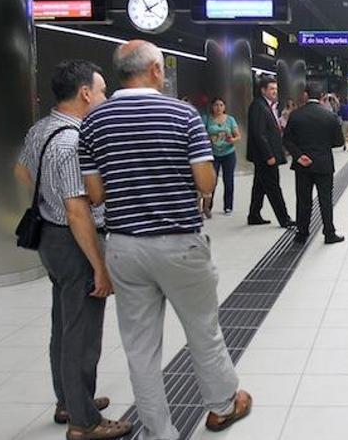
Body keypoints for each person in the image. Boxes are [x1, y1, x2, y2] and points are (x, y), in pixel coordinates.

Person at [78, 40, 251, 440]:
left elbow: (96, 193)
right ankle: (223, 406)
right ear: (156, 69)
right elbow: (206, 182)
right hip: (179, 243)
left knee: (140, 348)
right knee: (203, 329)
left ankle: (158, 432)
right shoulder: (183, 114)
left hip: (124, 245)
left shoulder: (94, 121)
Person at [15, 60, 131, 440]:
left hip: (50, 238)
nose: (105, 97)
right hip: (74, 240)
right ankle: (84, 422)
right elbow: (78, 210)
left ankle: (69, 400)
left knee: (64, 326)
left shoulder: (41, 129)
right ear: (85, 94)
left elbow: (21, 173)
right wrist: (99, 265)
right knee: (82, 333)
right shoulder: (72, 141)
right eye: (101, 92)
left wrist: (45, 198)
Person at [283, 82, 345, 244]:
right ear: (323, 96)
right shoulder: (329, 116)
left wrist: (299, 155)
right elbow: (339, 141)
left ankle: (302, 233)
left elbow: (287, 140)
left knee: (303, 199)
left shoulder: (295, 115)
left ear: (305, 94)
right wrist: (322, 147)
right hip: (323, 164)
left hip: (302, 165)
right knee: (325, 200)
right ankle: (329, 233)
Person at [247, 77, 294, 228]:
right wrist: (269, 155)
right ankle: (284, 219)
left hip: (266, 155)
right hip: (265, 156)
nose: (274, 92)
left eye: (275, 89)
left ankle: (254, 215)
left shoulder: (266, 106)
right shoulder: (258, 106)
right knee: (274, 187)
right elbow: (259, 133)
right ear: (263, 90)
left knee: (260, 185)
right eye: (271, 89)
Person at [203, 97, 240, 217]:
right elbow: (202, 133)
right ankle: (207, 206)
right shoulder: (207, 119)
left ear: (224, 107)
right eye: (216, 105)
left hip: (228, 153)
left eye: (221, 105)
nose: (218, 108)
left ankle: (228, 206)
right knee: (211, 181)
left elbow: (238, 136)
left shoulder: (230, 119)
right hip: (213, 154)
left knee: (228, 180)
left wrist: (232, 139)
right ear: (212, 107)